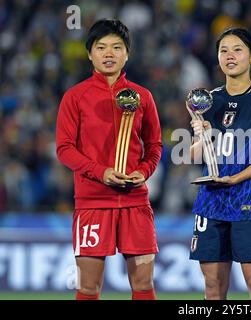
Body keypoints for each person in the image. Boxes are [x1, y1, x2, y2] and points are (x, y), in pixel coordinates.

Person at [56, 19, 162, 300]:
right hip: (92, 203)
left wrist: (143, 171)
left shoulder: (143, 96)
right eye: (100, 47)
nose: (108, 53)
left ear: (127, 53)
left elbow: (154, 146)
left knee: (143, 285)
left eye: (117, 47)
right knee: (88, 288)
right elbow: (64, 149)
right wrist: (100, 172)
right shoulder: (75, 97)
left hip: (135, 203)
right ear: (90, 53)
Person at [189, 27, 251, 300]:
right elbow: (195, 156)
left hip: (248, 201)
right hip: (210, 201)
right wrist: (202, 134)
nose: (230, 56)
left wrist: (236, 178)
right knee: (212, 286)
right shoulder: (209, 100)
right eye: (223, 51)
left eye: (237, 50)